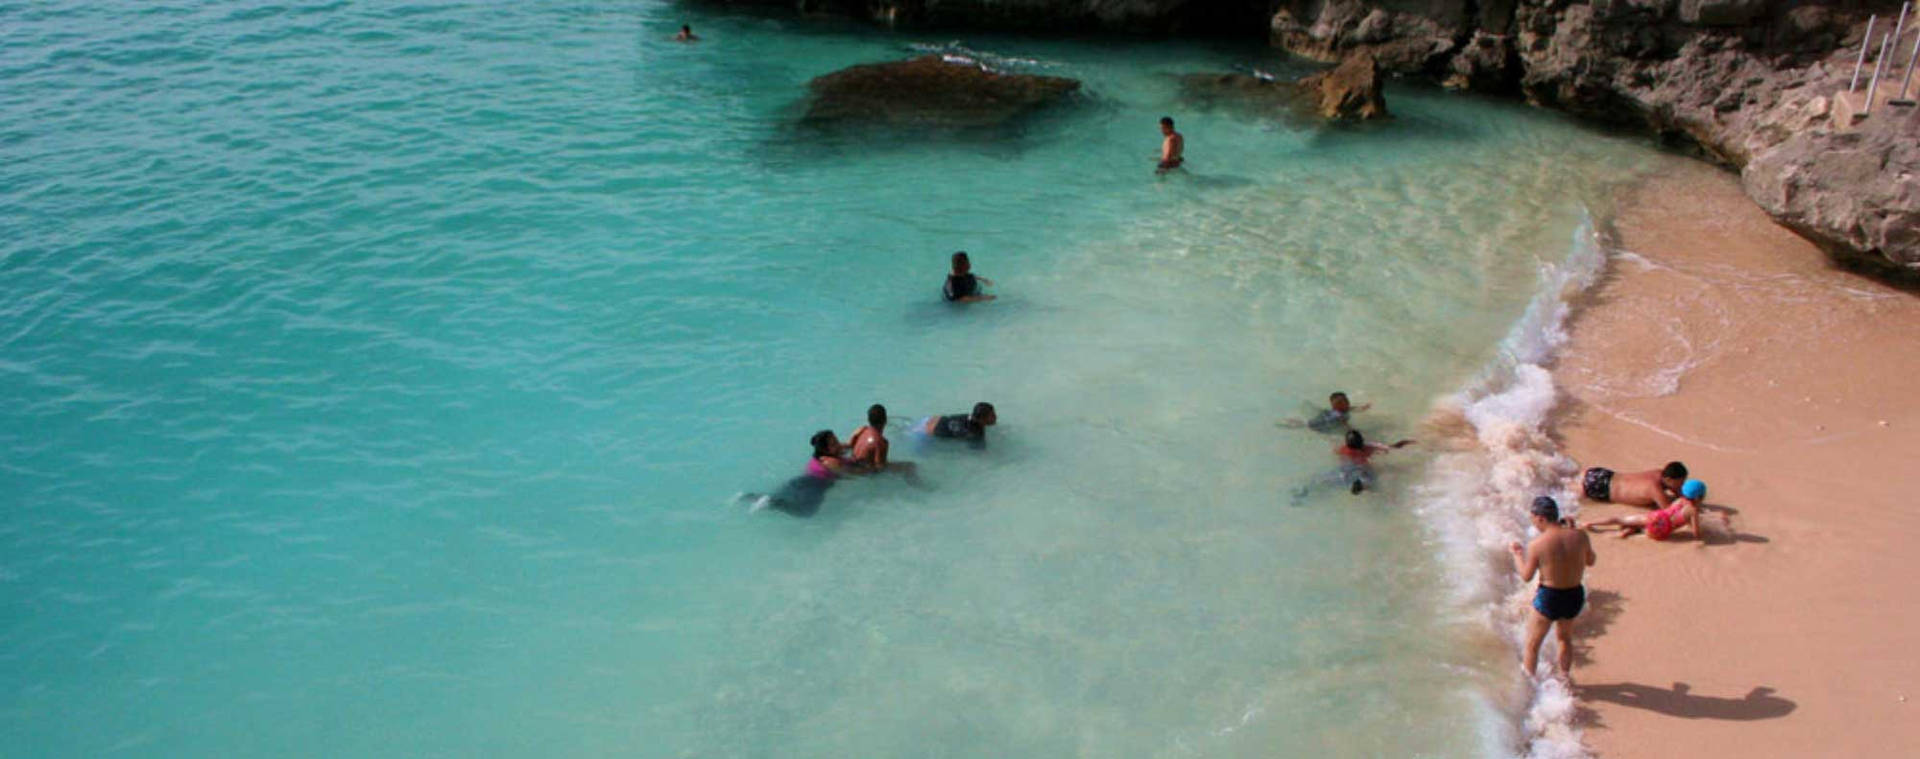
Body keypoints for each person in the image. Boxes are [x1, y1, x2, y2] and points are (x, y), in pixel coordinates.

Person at [1510, 496, 1597, 679]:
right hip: (1574, 595)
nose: (1532, 522)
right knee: (1564, 638)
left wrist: (1517, 555)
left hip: (1550, 597)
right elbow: (1591, 561)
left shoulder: (1537, 544)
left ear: (1541, 518)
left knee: (1533, 645)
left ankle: (1530, 687)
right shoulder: (1580, 535)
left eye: (1532, 518)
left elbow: (1526, 576)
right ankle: (1565, 678)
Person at [742, 430, 856, 517]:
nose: (838, 444)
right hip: (815, 486)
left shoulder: (821, 455)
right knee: (805, 512)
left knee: (780, 497)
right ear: (826, 449)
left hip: (801, 481)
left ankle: (747, 497)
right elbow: (851, 475)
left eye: (836, 440)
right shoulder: (831, 462)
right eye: (834, 443)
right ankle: (772, 503)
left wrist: (857, 435)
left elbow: (847, 446)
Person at [1582, 479, 1707, 541]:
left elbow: (1671, 511)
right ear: (1699, 497)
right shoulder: (1693, 510)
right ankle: (1635, 531)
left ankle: (1590, 523)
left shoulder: (1680, 500)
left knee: (1620, 519)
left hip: (1656, 516)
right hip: (1662, 530)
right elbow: (1696, 534)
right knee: (1646, 530)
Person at [849, 404, 918, 481]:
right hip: (865, 472)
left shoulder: (863, 430)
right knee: (910, 466)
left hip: (854, 463)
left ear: (869, 420)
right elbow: (880, 468)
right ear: (885, 420)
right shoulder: (880, 442)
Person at [1579, 461, 1687, 508]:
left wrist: (1680, 493)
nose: (1682, 485)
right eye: (1680, 482)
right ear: (1668, 479)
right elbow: (1669, 511)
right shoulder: (1654, 489)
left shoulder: (1659, 472)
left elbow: (1677, 492)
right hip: (1601, 488)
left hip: (1601, 473)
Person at [1279, 391, 1373, 433]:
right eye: (1344, 402)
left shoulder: (1344, 409)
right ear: (1336, 406)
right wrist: (1356, 431)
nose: (1347, 402)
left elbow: (1351, 408)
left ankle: (1290, 421)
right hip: (1323, 423)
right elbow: (1346, 426)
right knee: (1307, 424)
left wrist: (1363, 408)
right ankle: (1287, 423)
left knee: (1306, 422)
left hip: (1326, 414)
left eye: (1346, 400)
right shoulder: (1340, 415)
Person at [916, 402, 996, 449]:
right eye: (992, 416)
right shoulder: (975, 434)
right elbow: (979, 453)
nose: (995, 417)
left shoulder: (970, 416)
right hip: (924, 435)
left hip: (928, 420)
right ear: (981, 419)